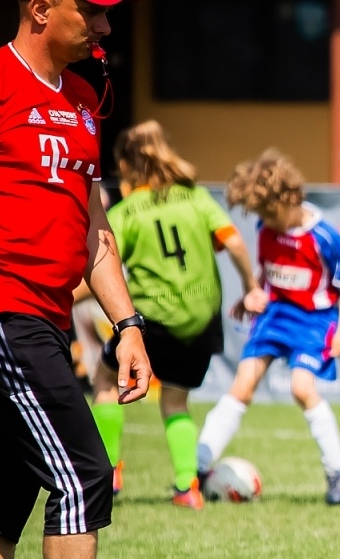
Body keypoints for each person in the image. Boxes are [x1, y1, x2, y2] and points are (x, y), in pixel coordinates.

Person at [0, 0, 171, 559]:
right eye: (90, 11)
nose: (105, 29)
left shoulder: (88, 100)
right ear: (39, 9)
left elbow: (93, 228)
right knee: (80, 469)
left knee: (3, 494)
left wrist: (126, 324)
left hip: (48, 317)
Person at [90, 121, 262, 509]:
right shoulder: (196, 199)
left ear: (128, 167)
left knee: (103, 379)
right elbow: (233, 242)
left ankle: (108, 474)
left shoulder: (129, 211)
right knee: (175, 402)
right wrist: (251, 286)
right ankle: (188, 487)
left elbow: (101, 260)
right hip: (200, 322)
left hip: (153, 319)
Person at [196, 150, 340, 506]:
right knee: (243, 385)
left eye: (270, 213)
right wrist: (250, 295)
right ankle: (197, 468)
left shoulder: (325, 236)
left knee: (301, 389)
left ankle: (338, 471)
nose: (267, 222)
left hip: (315, 321)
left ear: (290, 198)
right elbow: (271, 274)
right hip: (276, 316)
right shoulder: (266, 228)